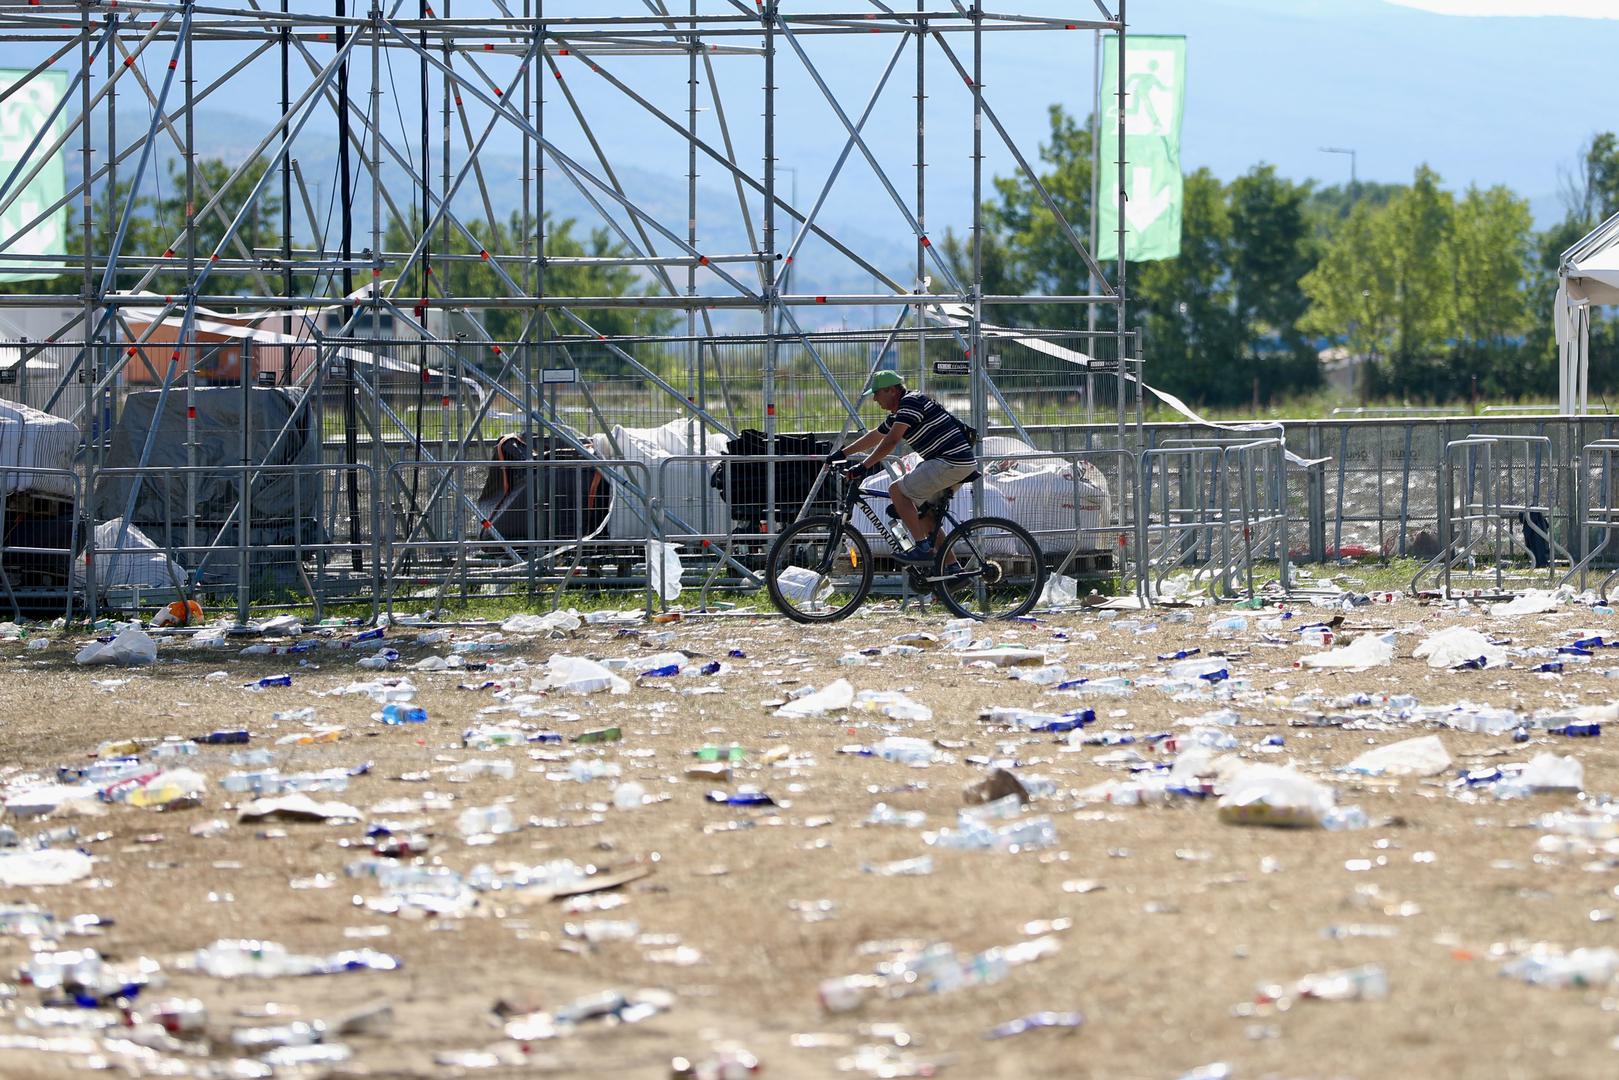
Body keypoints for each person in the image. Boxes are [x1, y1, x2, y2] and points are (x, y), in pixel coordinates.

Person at [831, 371, 976, 563]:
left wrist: (863, 466)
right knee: (924, 515)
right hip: (955, 464)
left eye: (877, 393)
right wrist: (842, 453)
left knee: (896, 491)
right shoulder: (902, 411)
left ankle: (922, 549)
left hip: (949, 462)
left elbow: (891, 440)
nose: (874, 399)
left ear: (891, 391)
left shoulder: (911, 402)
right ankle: (953, 569)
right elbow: (877, 435)